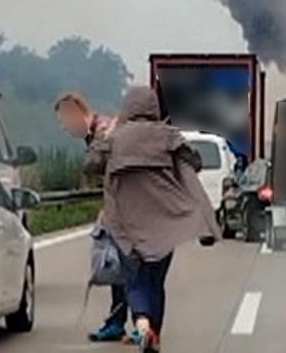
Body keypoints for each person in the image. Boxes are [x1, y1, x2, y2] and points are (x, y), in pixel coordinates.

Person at [85, 86, 220, 353]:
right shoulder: (168, 137)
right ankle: (153, 335)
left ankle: (143, 325)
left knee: (134, 280)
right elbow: (193, 166)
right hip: (163, 225)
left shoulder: (117, 140)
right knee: (155, 282)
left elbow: (90, 165)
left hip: (125, 226)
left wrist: (108, 136)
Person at [53, 93, 130, 342]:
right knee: (118, 267)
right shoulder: (97, 133)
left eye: (64, 121)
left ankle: (130, 321)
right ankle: (122, 321)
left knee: (121, 266)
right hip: (119, 207)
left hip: (126, 210)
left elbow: (109, 170)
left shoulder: (103, 133)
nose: (63, 128)